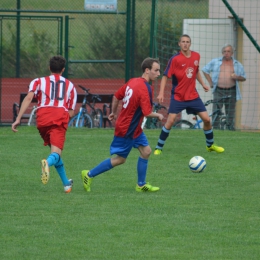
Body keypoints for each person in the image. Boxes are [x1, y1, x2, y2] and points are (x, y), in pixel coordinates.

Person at [81, 57, 164, 193]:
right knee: (120, 159)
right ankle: (89, 174)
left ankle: (141, 184)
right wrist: (159, 115)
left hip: (134, 127)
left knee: (147, 151)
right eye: (156, 70)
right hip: (128, 128)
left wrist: (113, 112)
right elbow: (147, 112)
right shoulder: (145, 87)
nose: (158, 73)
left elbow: (116, 96)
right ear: (147, 70)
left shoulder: (133, 81)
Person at [12, 56, 77, 193]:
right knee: (55, 154)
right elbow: (71, 112)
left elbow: (29, 98)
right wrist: (66, 116)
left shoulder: (38, 81)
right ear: (63, 70)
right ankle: (47, 163)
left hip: (42, 118)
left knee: (55, 153)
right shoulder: (70, 86)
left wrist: (18, 118)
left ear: (49, 68)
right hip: (59, 117)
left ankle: (66, 184)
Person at [154, 34, 224, 155]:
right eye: (183, 42)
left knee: (207, 119)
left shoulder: (196, 56)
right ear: (179, 44)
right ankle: (158, 147)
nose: (185, 44)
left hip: (193, 96)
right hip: (178, 96)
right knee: (170, 121)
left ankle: (210, 145)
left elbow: (196, 71)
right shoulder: (175, 59)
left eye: (187, 42)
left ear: (190, 44)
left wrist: (203, 84)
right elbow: (165, 77)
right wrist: (161, 93)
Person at [202, 43, 246, 130]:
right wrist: (210, 82)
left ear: (232, 53)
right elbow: (205, 70)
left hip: (232, 90)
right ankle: (215, 128)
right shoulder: (215, 61)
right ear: (222, 52)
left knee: (230, 111)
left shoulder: (237, 64)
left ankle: (229, 128)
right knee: (216, 110)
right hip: (219, 90)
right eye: (224, 51)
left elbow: (243, 77)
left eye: (228, 51)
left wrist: (236, 77)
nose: (226, 53)